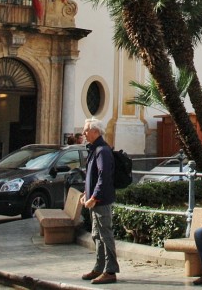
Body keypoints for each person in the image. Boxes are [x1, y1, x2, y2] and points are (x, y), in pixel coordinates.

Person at [80, 118, 118, 285]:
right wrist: (86, 193)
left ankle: (110, 271)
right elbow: (92, 176)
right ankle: (98, 267)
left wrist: (94, 197)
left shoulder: (102, 150)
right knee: (97, 235)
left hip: (100, 201)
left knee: (105, 234)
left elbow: (104, 177)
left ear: (95, 131)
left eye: (86, 130)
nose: (83, 134)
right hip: (94, 200)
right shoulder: (95, 149)